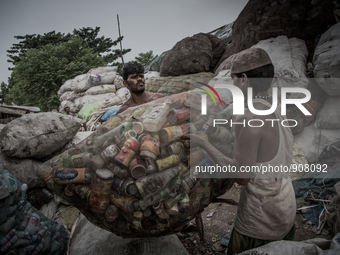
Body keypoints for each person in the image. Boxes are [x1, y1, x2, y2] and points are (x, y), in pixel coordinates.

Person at [182, 48, 296, 254]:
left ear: (244, 79)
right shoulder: (278, 106)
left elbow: (241, 177)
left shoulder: (250, 118)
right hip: (286, 208)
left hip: (260, 222)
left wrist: (203, 143)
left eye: (234, 80)